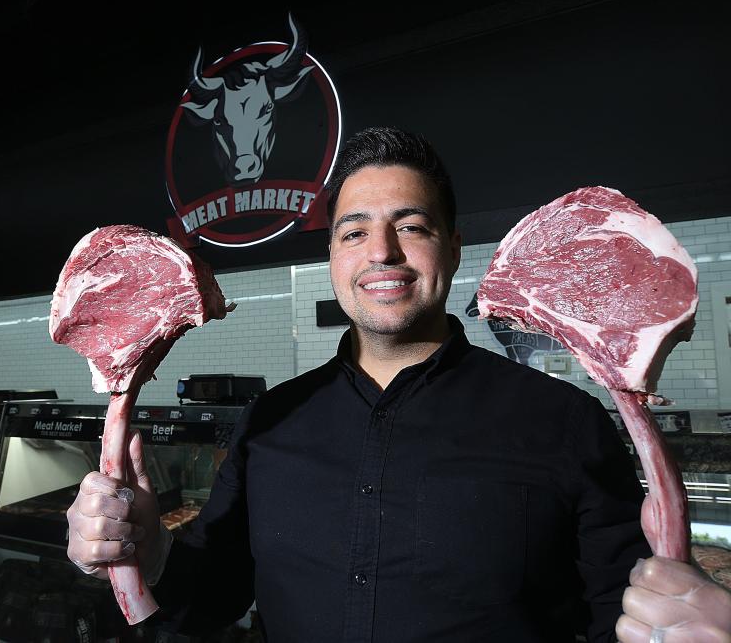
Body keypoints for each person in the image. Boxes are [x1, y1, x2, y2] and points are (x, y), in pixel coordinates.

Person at [66, 128, 731, 642]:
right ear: (333, 260)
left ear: (452, 247)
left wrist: (688, 618)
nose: (381, 251)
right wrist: (149, 551)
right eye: (354, 232)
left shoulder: (566, 422)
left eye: (411, 226)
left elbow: (627, 611)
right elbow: (208, 600)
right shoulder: (273, 419)